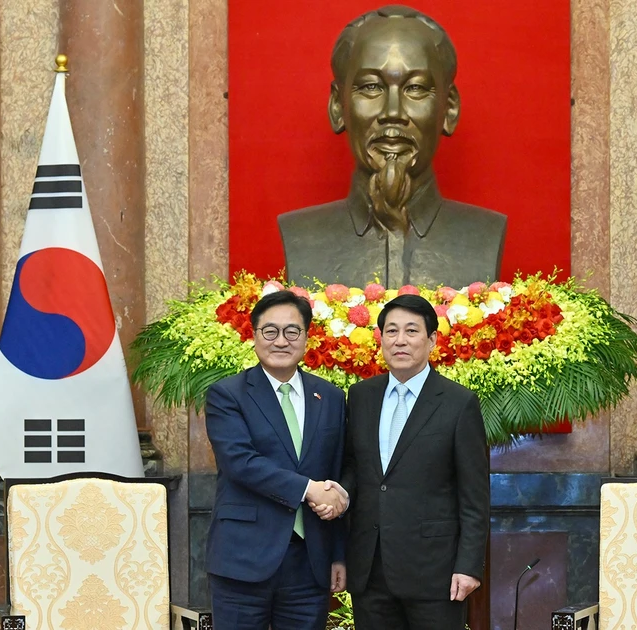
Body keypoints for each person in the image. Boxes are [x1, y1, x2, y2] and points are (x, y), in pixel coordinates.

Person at [278, 5, 507, 288]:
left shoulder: (485, 234)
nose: (393, 112)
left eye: (416, 88)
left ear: (448, 109)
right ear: (338, 106)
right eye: (371, 87)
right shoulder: (301, 235)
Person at [335, 294, 490, 629]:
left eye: (411, 331)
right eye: (391, 331)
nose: (400, 340)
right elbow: (354, 468)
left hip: (435, 572)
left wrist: (469, 565)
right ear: (380, 340)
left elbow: (474, 495)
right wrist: (338, 495)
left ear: (432, 340)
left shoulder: (458, 403)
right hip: (370, 567)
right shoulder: (361, 396)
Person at [204, 290, 350, 630]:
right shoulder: (228, 394)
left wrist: (338, 553)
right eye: (270, 331)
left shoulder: (329, 396)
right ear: (254, 336)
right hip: (243, 559)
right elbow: (240, 462)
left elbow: (338, 471)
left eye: (292, 331)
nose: (281, 341)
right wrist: (308, 490)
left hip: (310, 561)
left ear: (306, 337)